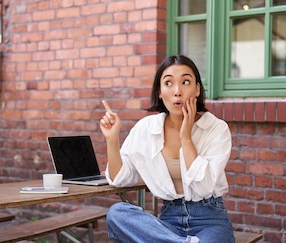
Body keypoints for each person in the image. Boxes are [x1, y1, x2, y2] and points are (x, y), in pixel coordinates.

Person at [99, 55, 234, 243]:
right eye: (169, 83)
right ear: (160, 92)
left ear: (196, 89)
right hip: (168, 223)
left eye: (185, 82)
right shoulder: (146, 128)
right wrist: (112, 140)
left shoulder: (216, 128)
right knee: (117, 213)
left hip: (210, 221)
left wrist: (186, 137)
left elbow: (204, 186)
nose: (177, 91)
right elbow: (120, 179)